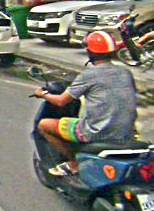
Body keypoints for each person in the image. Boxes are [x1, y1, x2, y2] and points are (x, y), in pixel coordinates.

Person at [34, 30, 138, 176]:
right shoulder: (125, 73)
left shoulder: (88, 76)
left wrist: (43, 94)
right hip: (126, 131)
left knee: (44, 125)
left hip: (95, 133)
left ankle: (74, 162)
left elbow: (61, 101)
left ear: (90, 52)